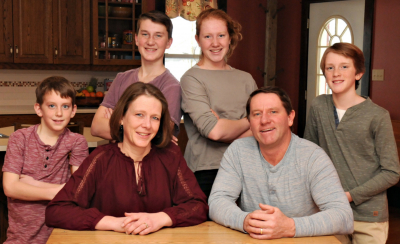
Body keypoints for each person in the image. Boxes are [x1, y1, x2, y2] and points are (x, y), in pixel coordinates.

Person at [46, 82, 208, 234]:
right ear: (122, 117)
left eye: (155, 118)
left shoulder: (170, 155)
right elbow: (57, 211)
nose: (147, 125)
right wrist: (115, 223)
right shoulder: (100, 158)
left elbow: (198, 206)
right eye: (139, 115)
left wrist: (160, 219)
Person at [208, 86, 354, 240]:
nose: (264, 120)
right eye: (257, 114)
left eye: (273, 112)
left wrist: (290, 227)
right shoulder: (238, 151)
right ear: (250, 123)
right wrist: (244, 221)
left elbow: (343, 216)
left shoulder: (313, 156)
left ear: (290, 118)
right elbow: (218, 201)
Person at [304, 43, 400, 244]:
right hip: (328, 213)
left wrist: (349, 195)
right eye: (330, 67)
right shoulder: (318, 106)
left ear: (359, 73)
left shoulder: (378, 116)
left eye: (344, 66)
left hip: (368, 216)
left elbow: (391, 172)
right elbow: (308, 156)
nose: (336, 73)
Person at [180, 8, 258, 199]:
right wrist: (250, 120)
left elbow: (261, 126)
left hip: (247, 166)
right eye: (208, 36)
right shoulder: (191, 79)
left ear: (230, 38)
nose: (215, 43)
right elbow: (213, 131)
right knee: (206, 228)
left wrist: (226, 127)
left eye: (221, 35)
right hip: (207, 171)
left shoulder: (246, 79)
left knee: (248, 226)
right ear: (197, 40)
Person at [2, 76, 89, 244]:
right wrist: (61, 191)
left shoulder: (77, 141)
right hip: (21, 236)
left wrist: (33, 184)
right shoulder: (19, 138)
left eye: (65, 106)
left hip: (61, 234)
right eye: (51, 106)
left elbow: (80, 192)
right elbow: (10, 187)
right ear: (38, 109)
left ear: (73, 110)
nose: (59, 113)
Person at [91, 10, 181, 139]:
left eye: (158, 35)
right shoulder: (121, 79)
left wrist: (118, 121)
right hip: (119, 158)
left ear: (168, 43)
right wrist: (142, 131)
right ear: (137, 39)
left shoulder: (171, 86)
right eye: (145, 34)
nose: (150, 42)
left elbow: (161, 135)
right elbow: (96, 127)